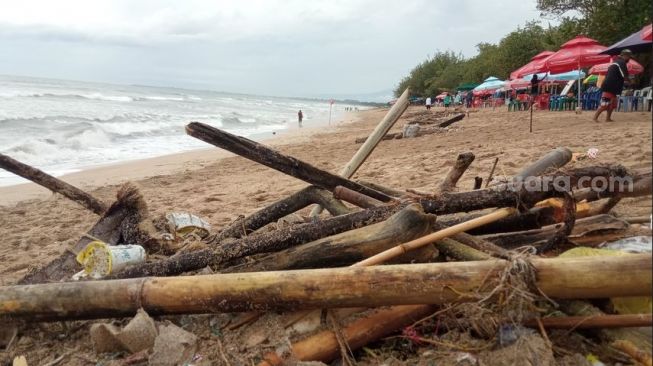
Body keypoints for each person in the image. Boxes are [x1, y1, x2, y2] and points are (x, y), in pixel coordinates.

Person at [594, 49, 632, 122]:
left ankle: (608, 118)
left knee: (612, 104)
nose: (629, 59)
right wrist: (630, 82)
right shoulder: (621, 62)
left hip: (612, 86)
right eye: (629, 57)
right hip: (609, 86)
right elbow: (625, 75)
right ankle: (595, 117)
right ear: (624, 56)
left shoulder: (616, 62)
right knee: (605, 104)